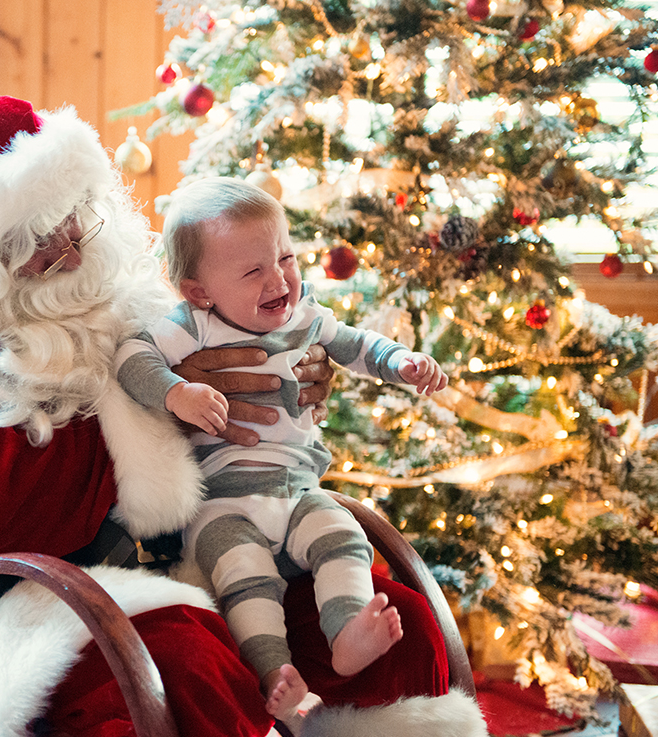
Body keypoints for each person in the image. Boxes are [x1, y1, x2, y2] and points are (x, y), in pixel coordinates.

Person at [0, 90, 487, 737]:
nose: (74, 253)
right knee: (187, 666)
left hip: (197, 551)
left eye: (75, 219)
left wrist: (283, 378)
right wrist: (154, 405)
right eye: (38, 241)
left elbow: (227, 377)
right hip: (15, 610)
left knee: (400, 627)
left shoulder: (101, 281)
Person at [115, 176, 448, 721]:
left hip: (297, 490)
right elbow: (132, 358)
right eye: (253, 272)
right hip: (223, 501)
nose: (279, 280)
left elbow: (358, 345)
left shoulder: (305, 317)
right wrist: (177, 392)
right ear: (199, 292)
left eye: (286, 258)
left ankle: (347, 633)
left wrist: (401, 362)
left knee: (343, 535)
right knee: (244, 575)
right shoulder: (192, 327)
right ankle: (275, 672)